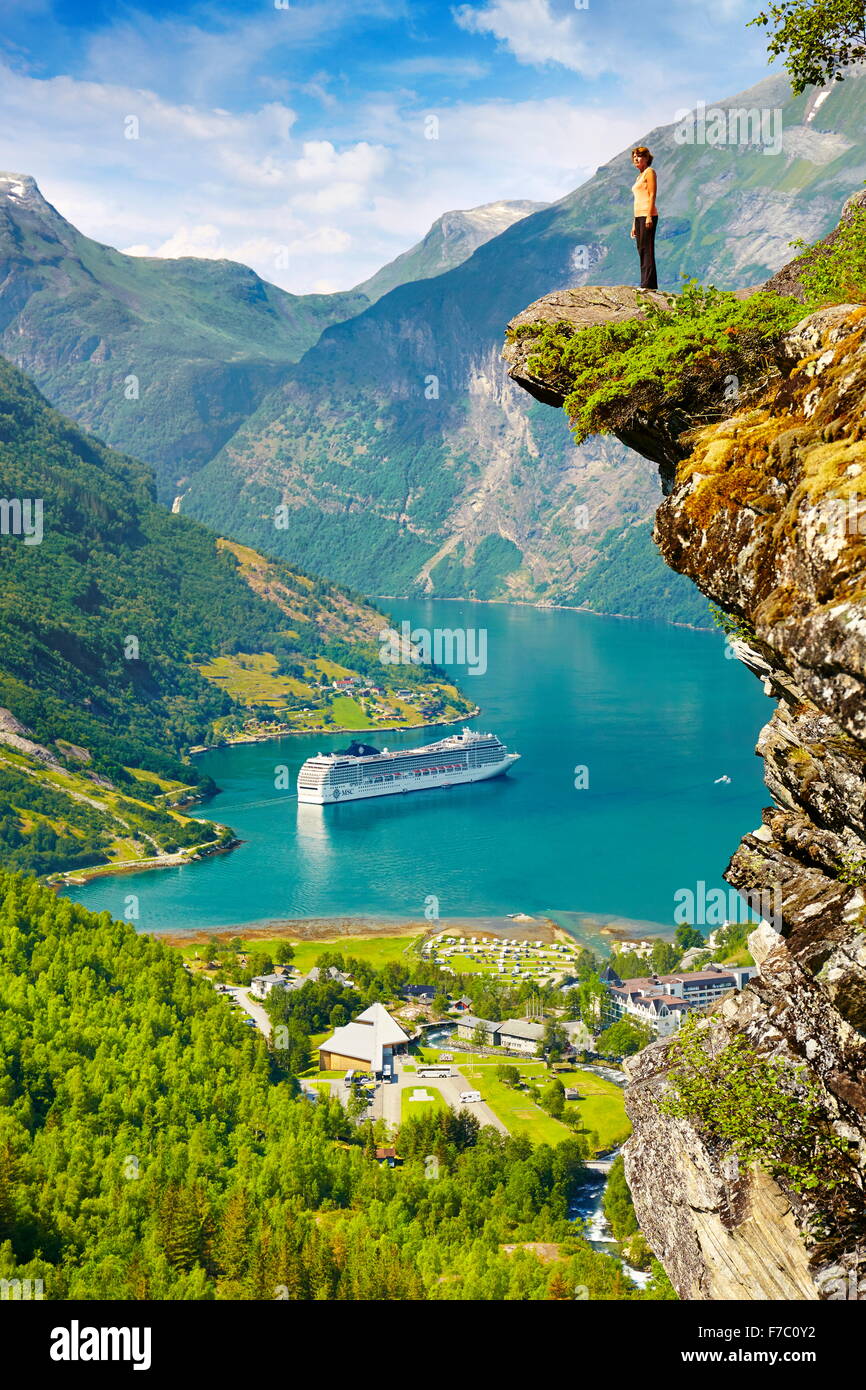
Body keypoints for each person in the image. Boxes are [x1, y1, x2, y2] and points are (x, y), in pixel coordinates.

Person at [630, 146, 658, 289]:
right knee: (641, 249)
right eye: (634, 156)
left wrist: (648, 216)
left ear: (647, 158)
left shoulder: (649, 172)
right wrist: (634, 224)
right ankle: (644, 282)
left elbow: (652, 194)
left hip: (648, 215)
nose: (636, 158)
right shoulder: (638, 177)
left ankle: (649, 285)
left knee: (647, 249)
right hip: (638, 216)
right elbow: (637, 200)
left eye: (639, 156)